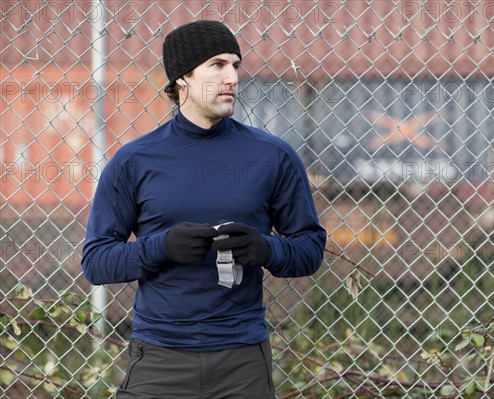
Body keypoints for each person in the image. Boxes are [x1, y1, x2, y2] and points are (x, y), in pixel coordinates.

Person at [81, 20, 327, 399]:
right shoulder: (135, 160)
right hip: (160, 358)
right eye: (217, 65)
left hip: (242, 358)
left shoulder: (272, 156)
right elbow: (96, 261)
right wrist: (161, 247)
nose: (231, 78)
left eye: (235, 66)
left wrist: (267, 249)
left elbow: (310, 250)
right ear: (182, 77)